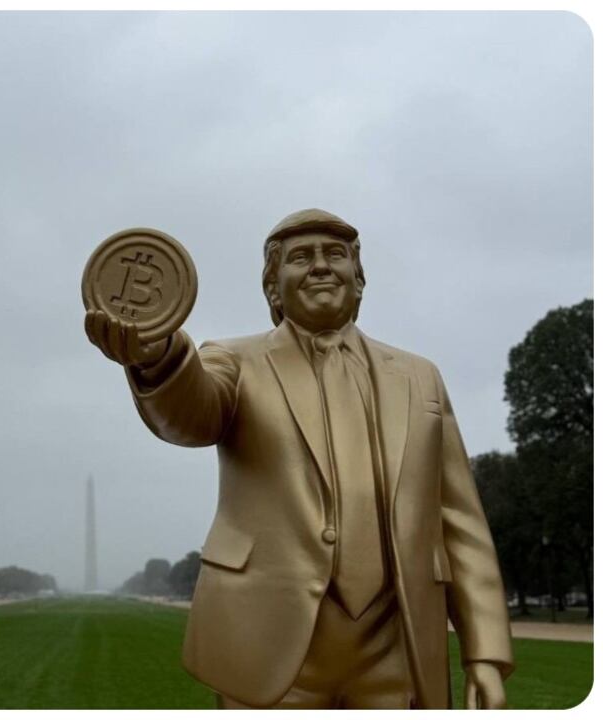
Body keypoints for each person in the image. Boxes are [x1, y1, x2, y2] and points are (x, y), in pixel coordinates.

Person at [85, 208, 512, 709]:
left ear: (359, 279)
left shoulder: (422, 378)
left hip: (397, 648)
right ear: (273, 288)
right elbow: (191, 412)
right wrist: (159, 356)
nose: (321, 266)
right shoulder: (233, 360)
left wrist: (485, 652)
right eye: (301, 257)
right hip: (269, 646)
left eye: (335, 255)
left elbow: (459, 519)